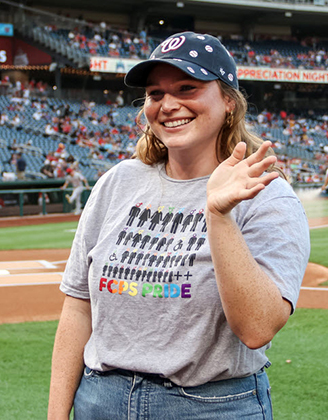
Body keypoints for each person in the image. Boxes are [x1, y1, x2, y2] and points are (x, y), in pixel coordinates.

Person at [48, 32, 310, 420]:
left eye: (187, 87)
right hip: (100, 400)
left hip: (209, 407)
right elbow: (78, 308)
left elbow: (257, 328)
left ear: (228, 101)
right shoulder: (118, 182)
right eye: (155, 94)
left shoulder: (266, 195)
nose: (168, 105)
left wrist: (218, 216)